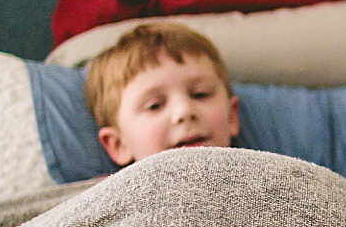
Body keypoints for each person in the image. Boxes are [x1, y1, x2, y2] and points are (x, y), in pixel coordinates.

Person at [85, 21, 240, 166]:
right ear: (118, 144)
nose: (184, 111)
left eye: (200, 94)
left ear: (232, 116)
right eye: (155, 106)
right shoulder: (104, 194)